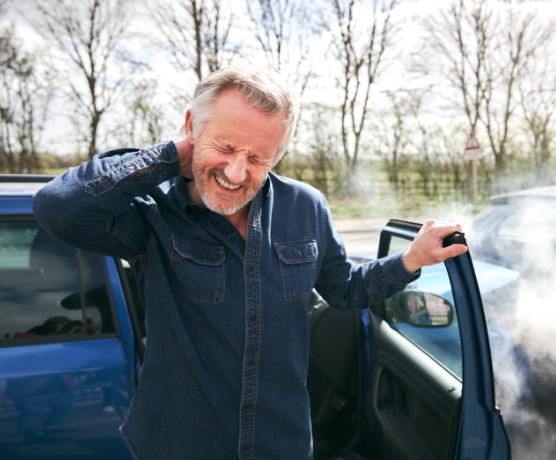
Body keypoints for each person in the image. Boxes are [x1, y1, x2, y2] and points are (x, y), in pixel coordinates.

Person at [32, 64, 468, 460]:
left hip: (283, 445)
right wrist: (172, 156)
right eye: (224, 145)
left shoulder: (306, 206)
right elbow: (58, 210)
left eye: (258, 157)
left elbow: (344, 288)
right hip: (178, 447)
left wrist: (410, 258)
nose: (237, 173)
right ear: (190, 126)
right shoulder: (152, 211)